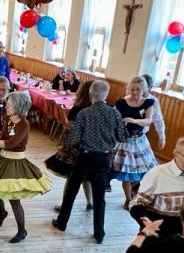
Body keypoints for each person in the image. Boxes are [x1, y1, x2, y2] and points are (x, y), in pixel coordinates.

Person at [0, 91, 53, 244]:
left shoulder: (24, 124)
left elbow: (10, 144)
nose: (6, 107)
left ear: (19, 107)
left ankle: (22, 230)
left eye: (9, 105)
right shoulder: (10, 119)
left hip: (16, 163)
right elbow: (6, 135)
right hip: (3, 159)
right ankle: (2, 212)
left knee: (14, 200)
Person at [52, 80, 126, 243]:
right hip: (104, 159)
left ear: (91, 94)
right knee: (100, 198)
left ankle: (62, 223)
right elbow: (122, 137)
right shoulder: (114, 113)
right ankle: (99, 233)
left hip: (85, 157)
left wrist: (64, 148)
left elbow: (74, 138)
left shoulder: (84, 113)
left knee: (71, 191)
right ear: (106, 94)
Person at [110, 76, 159, 207]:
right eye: (132, 89)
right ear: (128, 89)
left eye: (138, 89)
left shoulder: (148, 103)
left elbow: (148, 121)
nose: (135, 92)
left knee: (146, 171)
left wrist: (134, 121)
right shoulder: (121, 103)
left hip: (140, 141)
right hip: (124, 142)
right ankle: (128, 199)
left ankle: (136, 193)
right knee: (127, 173)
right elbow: (113, 119)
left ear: (144, 90)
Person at [49, 80, 98, 212]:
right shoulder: (98, 109)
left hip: (76, 148)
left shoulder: (78, 108)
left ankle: (64, 206)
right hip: (92, 149)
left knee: (71, 179)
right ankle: (90, 202)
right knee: (87, 178)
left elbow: (70, 125)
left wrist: (64, 147)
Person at [141, 74, 167, 149]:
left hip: (143, 134)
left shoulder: (153, 101)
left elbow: (158, 120)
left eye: (144, 87)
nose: (141, 89)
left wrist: (162, 137)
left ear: (150, 88)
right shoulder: (130, 97)